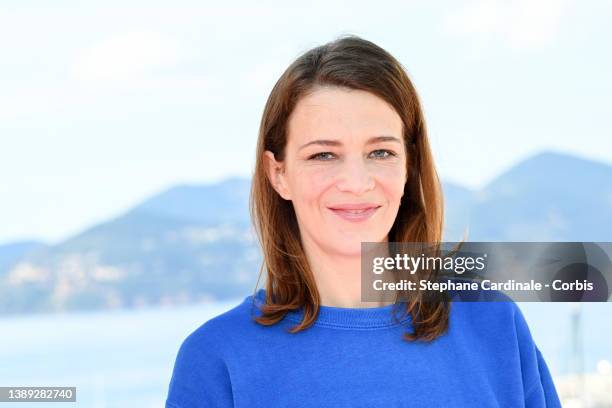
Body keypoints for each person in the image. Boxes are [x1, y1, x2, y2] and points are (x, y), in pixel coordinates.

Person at [165, 35, 562, 407]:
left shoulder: (493, 323)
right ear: (278, 173)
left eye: (380, 153)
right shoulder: (217, 360)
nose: (356, 183)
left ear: (409, 165)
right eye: (323, 155)